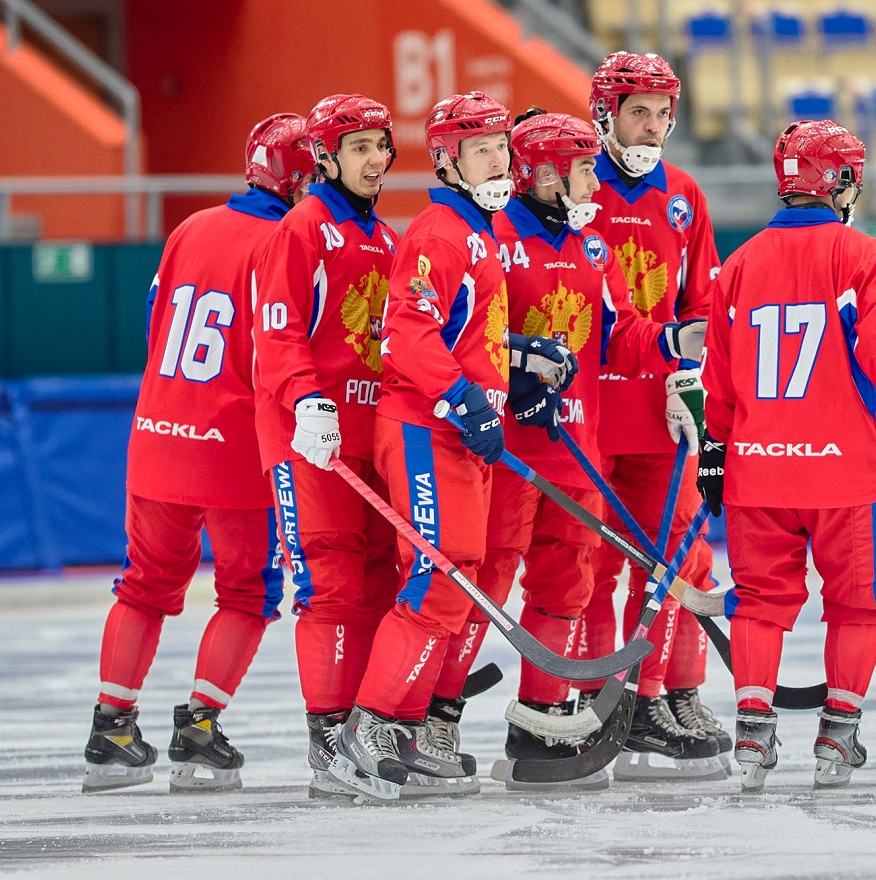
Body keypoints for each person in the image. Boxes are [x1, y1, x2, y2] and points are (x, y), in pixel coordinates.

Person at [426, 109, 704, 789]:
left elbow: (618, 330)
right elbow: (471, 332)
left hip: (576, 444)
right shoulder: (491, 237)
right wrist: (520, 361)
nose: (591, 181)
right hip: (507, 450)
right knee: (484, 583)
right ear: (542, 172)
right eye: (581, 168)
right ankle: (436, 712)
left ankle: (541, 718)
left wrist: (676, 345)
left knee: (566, 587)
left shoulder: (593, 246)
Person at [697, 119, 876, 792]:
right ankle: (837, 738)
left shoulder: (737, 266)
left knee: (757, 603)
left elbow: (719, 380)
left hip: (758, 469)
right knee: (857, 606)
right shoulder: (867, 256)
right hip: (845, 473)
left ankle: (754, 737)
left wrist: (715, 453)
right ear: (840, 181)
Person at [324, 92, 574, 802]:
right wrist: (464, 397)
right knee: (438, 578)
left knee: (456, 578)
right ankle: (366, 729)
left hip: (457, 434)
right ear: (447, 160)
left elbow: (464, 329)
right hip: (428, 430)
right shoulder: (441, 233)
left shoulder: (479, 231)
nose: (499, 159)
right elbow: (406, 334)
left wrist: (520, 357)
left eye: (502, 146)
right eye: (482, 149)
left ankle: (400, 727)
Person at [83, 112, 314, 794]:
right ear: (300, 177)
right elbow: (283, 354)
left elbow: (156, 327)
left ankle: (111, 725)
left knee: (144, 587)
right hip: (236, 449)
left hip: (157, 435)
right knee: (249, 593)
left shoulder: (189, 227)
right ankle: (201, 726)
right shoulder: (286, 242)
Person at [574, 51, 727, 780]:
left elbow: (704, 305)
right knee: (590, 565)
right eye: (641, 109)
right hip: (590, 411)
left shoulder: (685, 194)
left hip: (660, 408)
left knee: (675, 558)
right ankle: (600, 697)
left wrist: (689, 378)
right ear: (604, 113)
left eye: (665, 110)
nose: (657, 124)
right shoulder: (576, 185)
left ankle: (662, 696)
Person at [251, 94, 404, 800]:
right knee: (329, 584)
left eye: (382, 144)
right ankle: (327, 739)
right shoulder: (303, 229)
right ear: (325, 156)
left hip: (373, 438)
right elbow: (276, 332)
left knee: (378, 579)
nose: (377, 159)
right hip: (312, 440)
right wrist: (306, 400)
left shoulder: (387, 239)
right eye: (361, 147)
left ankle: (363, 732)